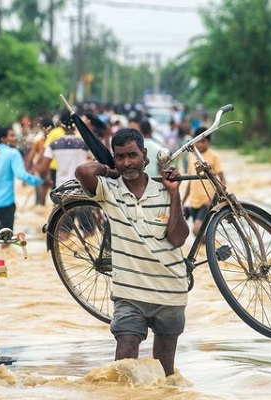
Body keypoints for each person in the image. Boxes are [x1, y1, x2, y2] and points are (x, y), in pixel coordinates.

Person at [75, 128, 189, 377]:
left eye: (132, 155)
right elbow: (83, 171)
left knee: (165, 371)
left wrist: (174, 193)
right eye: (120, 157)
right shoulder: (109, 190)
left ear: (145, 155)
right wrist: (109, 170)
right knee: (123, 366)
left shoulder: (163, 189)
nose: (127, 163)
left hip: (170, 291)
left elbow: (178, 237)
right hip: (129, 293)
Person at [0, 127, 43, 238]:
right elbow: (20, 174)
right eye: (12, 136)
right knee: (6, 239)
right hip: (6, 203)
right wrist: (39, 181)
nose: (15, 139)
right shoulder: (13, 153)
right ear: (3, 139)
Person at [182, 127, 225, 235]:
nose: (200, 145)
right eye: (198, 142)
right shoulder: (192, 157)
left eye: (203, 142)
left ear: (208, 142)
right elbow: (191, 181)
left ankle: (214, 249)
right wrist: (182, 201)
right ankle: (212, 249)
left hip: (207, 202)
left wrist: (212, 199)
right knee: (196, 233)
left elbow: (222, 180)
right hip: (193, 201)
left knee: (197, 230)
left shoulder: (214, 156)